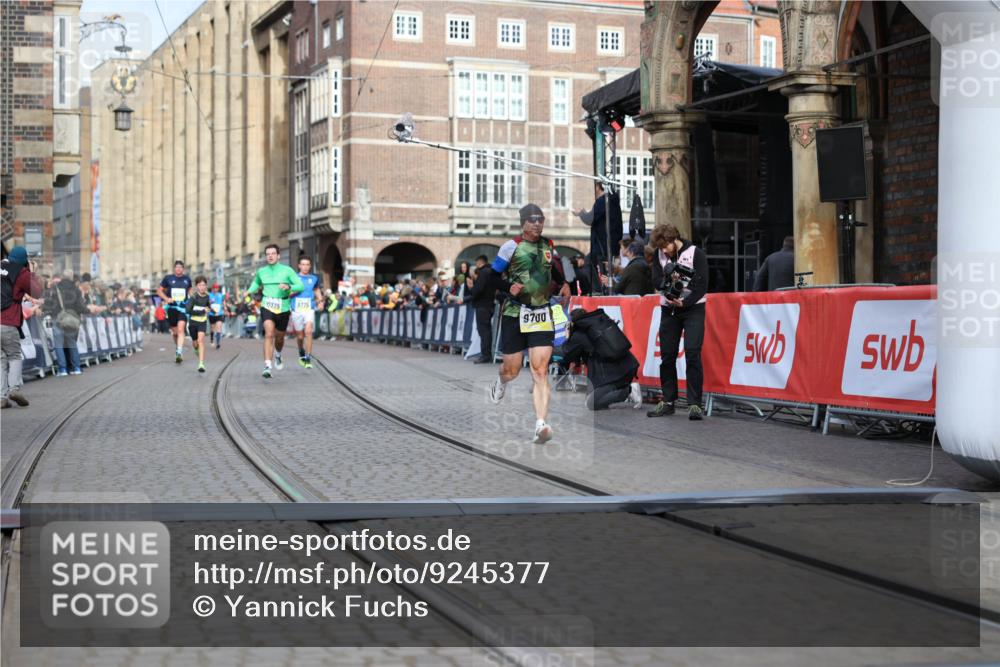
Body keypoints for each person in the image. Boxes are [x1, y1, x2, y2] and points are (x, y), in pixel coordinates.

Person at [488, 203, 570, 444]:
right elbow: (490, 276)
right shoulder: (510, 247)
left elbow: (552, 271)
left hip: (541, 312)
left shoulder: (548, 245)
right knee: (512, 370)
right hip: (515, 312)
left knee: (540, 370)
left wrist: (564, 283)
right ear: (523, 223)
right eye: (532, 220)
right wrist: (507, 287)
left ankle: (540, 424)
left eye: (540, 219)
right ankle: (501, 381)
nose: (537, 223)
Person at [647, 223, 709, 420]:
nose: (663, 251)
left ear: (674, 240)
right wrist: (667, 276)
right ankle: (668, 400)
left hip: (694, 308)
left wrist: (685, 301)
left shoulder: (695, 253)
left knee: (692, 353)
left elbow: (702, 284)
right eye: (660, 248)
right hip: (669, 309)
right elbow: (655, 280)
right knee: (667, 355)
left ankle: (695, 404)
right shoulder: (659, 254)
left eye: (666, 246)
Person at [558, 308, 643, 410]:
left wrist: (568, 337)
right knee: (593, 398)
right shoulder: (596, 325)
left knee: (591, 403)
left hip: (613, 376)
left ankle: (628, 392)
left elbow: (566, 354)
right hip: (626, 367)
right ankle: (623, 391)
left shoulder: (579, 335)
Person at [245, 244, 304, 378]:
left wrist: (288, 286)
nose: (270, 256)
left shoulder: (287, 270)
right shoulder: (262, 271)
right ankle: (267, 366)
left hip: (283, 306)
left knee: (279, 338)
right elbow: (256, 283)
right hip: (267, 305)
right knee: (269, 333)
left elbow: (300, 286)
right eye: (268, 254)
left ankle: (278, 354)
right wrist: (248, 291)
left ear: (278, 256)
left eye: (273, 253)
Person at [1, 246, 43, 409]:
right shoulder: (21, 272)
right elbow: (37, 292)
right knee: (15, 355)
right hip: (8, 321)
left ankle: (2, 397)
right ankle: (15, 389)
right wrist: (31, 272)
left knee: (1, 360)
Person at [466, 254, 510, 364]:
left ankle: (485, 355)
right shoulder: (492, 272)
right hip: (490, 304)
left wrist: (472, 288)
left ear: (480, 263)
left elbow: (479, 289)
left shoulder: (483, 272)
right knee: (487, 330)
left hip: (482, 304)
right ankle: (486, 354)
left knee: (483, 330)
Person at [42, 269, 86, 376]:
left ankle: (62, 369)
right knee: (72, 343)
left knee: (59, 345)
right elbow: (80, 307)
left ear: (62, 277)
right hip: (71, 319)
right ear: (71, 278)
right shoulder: (76, 290)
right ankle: (76, 368)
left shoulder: (55, 288)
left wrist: (49, 311)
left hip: (57, 318)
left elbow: (50, 304)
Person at [286, 254, 323, 368]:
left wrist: (320, 300)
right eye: (303, 264)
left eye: (307, 265)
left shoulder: (314, 278)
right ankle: (301, 350)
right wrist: (295, 292)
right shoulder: (293, 278)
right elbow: (287, 293)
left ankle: (307, 357)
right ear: (299, 266)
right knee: (300, 336)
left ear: (310, 266)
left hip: (309, 309)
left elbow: (316, 290)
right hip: (296, 310)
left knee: (308, 331)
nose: (305, 267)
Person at [156, 260, 192, 363]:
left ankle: (179, 352)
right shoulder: (168, 278)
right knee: (175, 333)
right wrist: (167, 299)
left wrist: (190, 299)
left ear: (183, 269)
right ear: (174, 268)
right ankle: (178, 347)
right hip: (172, 309)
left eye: (181, 267)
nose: (179, 269)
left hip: (183, 309)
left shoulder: (187, 279)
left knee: (181, 330)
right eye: (177, 267)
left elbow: (190, 290)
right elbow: (159, 291)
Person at [186, 276, 211, 373]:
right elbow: (188, 310)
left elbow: (208, 306)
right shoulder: (193, 297)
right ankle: (196, 349)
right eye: (200, 285)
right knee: (195, 343)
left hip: (202, 322)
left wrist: (209, 309)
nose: (202, 287)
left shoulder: (207, 296)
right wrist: (201, 310)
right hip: (193, 323)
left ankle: (201, 364)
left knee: (201, 341)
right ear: (197, 286)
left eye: (204, 285)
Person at [208, 283, 225, 349]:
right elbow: (207, 304)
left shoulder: (221, 295)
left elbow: (223, 302)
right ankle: (212, 340)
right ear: (212, 288)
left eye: (217, 288)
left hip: (219, 314)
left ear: (218, 289)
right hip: (212, 314)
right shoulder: (209, 295)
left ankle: (218, 343)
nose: (215, 289)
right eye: (214, 288)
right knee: (212, 328)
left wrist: (225, 308)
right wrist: (210, 302)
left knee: (218, 327)